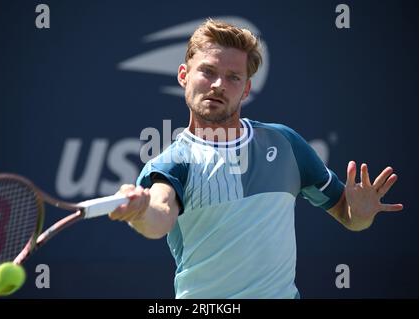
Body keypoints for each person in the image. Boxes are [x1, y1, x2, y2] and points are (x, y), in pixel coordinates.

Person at [109, 19, 403, 299]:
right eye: (208, 71)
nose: (218, 85)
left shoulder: (285, 143)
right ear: (184, 75)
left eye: (233, 77)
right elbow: (158, 219)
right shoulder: (171, 164)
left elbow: (348, 216)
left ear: (246, 89)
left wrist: (360, 217)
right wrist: (140, 210)